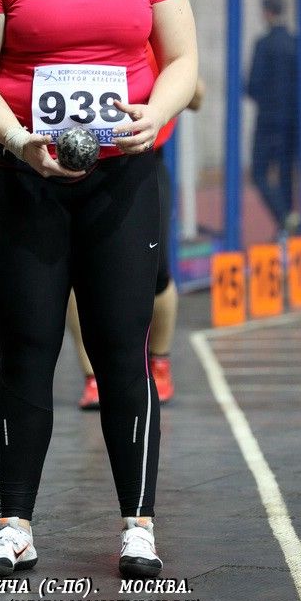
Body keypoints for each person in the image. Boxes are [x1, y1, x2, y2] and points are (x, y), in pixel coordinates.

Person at [0, 0, 198, 579]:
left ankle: (139, 527)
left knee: (122, 348)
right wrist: (18, 138)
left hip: (122, 181)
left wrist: (155, 112)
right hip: (28, 179)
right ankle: (14, 526)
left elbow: (183, 59)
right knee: (27, 349)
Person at [75, 73, 206, 410]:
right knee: (76, 272)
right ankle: (93, 376)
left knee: (156, 269)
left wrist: (165, 80)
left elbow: (196, 96)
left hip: (141, 163)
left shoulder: (150, 42)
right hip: (72, 163)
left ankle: (159, 363)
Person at [246, 0, 300, 237]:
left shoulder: (263, 44)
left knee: (259, 173)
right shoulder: (295, 42)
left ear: (267, 12)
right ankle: (287, 229)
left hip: (267, 121)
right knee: (286, 174)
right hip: (292, 121)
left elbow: (253, 86)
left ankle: (285, 218)